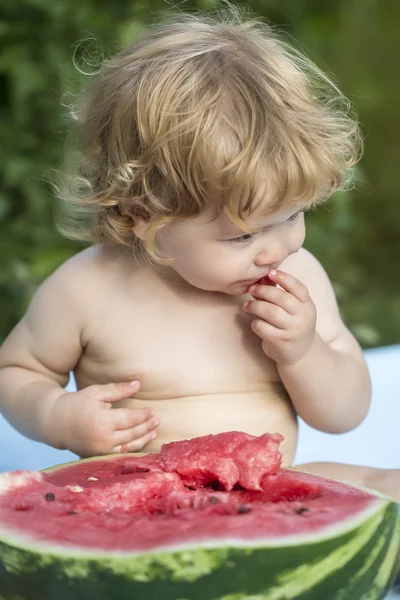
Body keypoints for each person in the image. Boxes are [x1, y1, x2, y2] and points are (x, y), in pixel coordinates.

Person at [0, 5, 399, 500]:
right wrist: (54, 415)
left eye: (294, 217)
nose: (276, 250)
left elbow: (344, 414)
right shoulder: (85, 290)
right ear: (145, 214)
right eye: (242, 237)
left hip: (269, 487)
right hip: (137, 499)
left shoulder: (298, 278)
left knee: (378, 485)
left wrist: (304, 351)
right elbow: (17, 371)